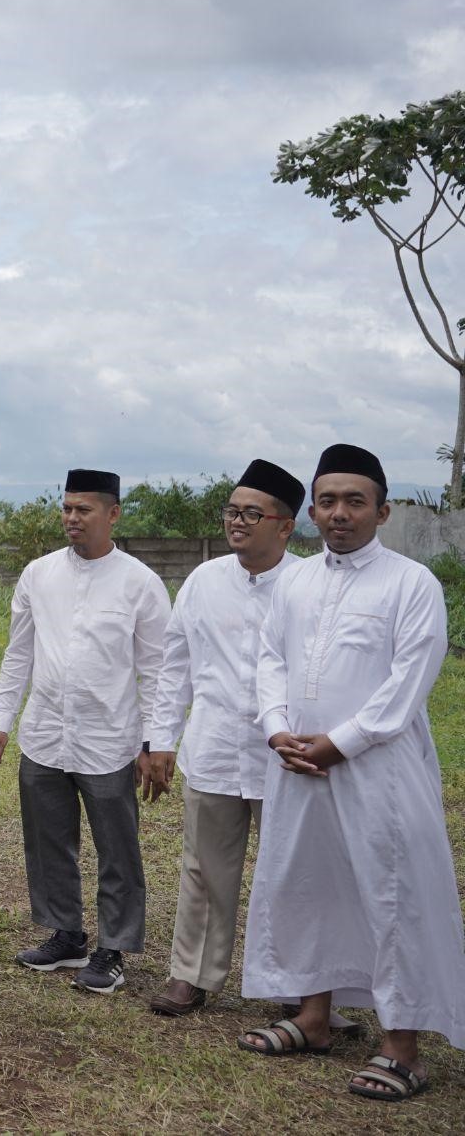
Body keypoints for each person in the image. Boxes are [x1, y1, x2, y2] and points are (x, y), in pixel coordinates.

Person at [236, 444, 465, 1102]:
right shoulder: (296, 580)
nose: (340, 512)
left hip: (379, 775)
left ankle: (402, 1046)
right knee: (309, 883)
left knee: (392, 897)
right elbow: (269, 657)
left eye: (355, 500)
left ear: (383, 510)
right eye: (328, 500)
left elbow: (408, 683)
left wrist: (340, 742)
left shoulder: (410, 583)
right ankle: (314, 1015)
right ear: (312, 510)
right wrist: (276, 723)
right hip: (298, 765)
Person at [0, 468, 169, 996]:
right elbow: (19, 652)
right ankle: (67, 934)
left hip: (108, 738)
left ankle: (114, 948)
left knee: (117, 849)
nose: (71, 518)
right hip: (44, 733)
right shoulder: (38, 574)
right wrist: (1, 722)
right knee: (47, 841)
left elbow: (157, 671)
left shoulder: (140, 583)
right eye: (66, 508)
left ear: (112, 514)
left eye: (83, 510)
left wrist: (154, 743)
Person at [141, 459, 303, 1018]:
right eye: (232, 510)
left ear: (285, 525)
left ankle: (295, 987)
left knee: (290, 871)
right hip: (211, 747)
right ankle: (191, 975)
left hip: (288, 757)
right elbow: (174, 668)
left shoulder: (309, 585)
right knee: (204, 868)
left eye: (251, 513)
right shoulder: (204, 581)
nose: (237, 521)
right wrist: (159, 739)